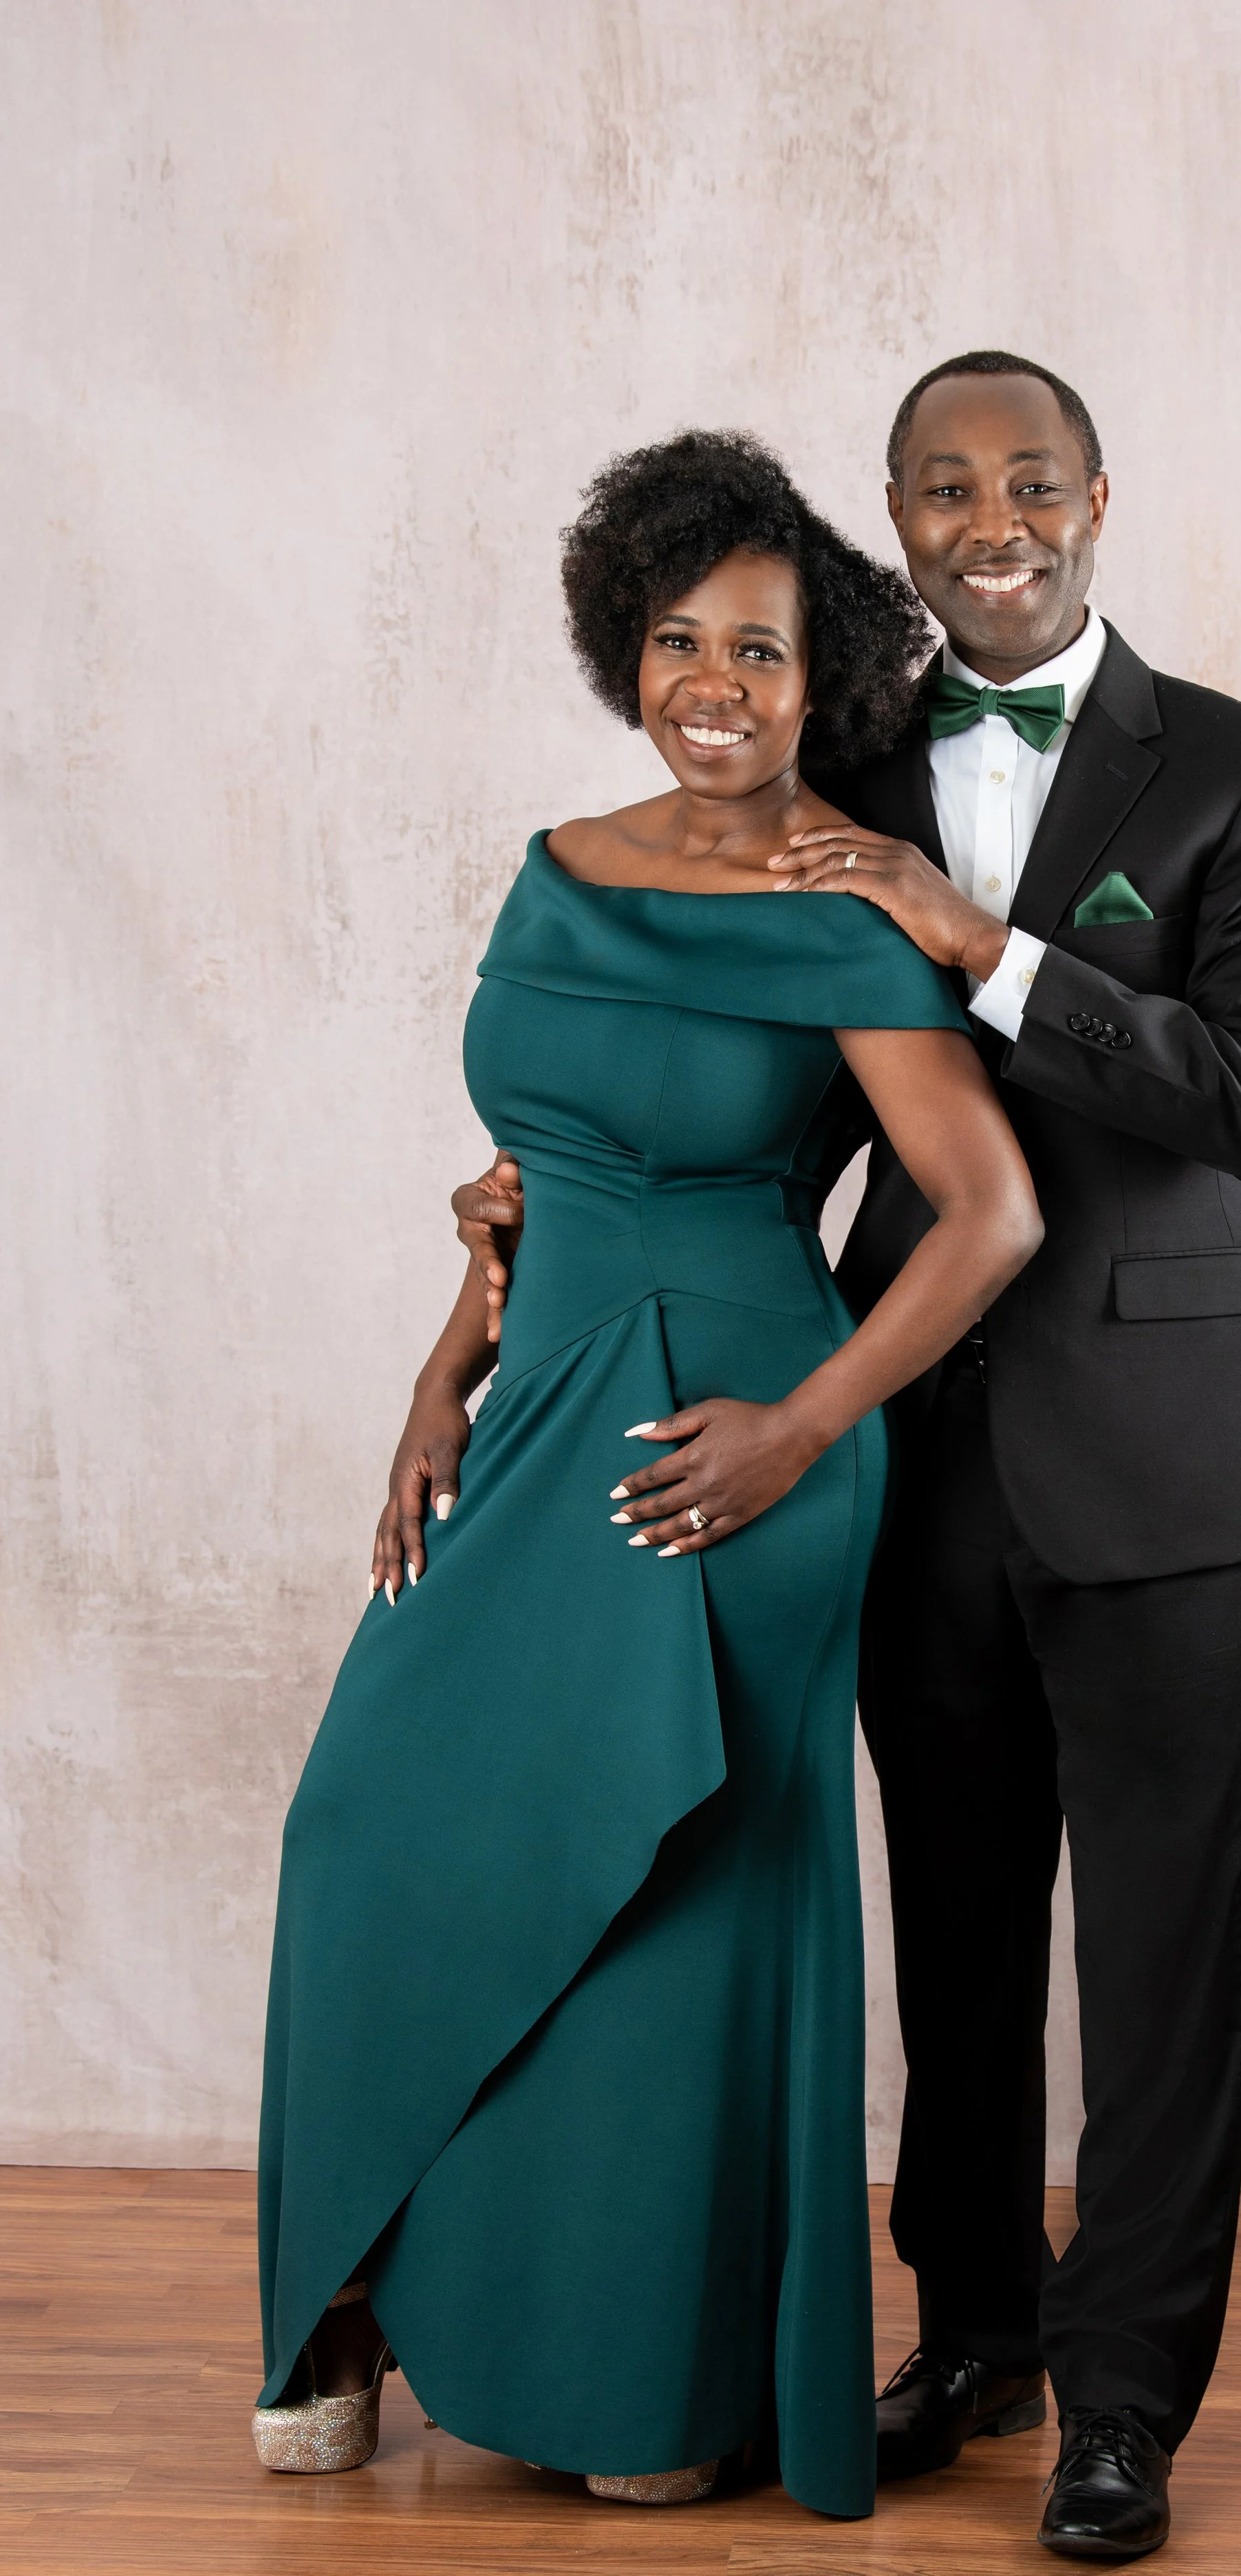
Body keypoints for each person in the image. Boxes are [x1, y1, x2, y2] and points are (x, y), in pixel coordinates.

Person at [450, 354, 1241, 2561]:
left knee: (1154, 1962)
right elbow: (750, 1105)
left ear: (1097, 493)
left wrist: (993, 950)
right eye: (943, 487)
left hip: (1163, 1446)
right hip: (902, 1435)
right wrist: (535, 1212)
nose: (990, 516)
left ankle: (1124, 2407)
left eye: (1028, 477)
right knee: (947, 1938)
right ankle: (977, 2334)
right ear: (899, 518)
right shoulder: (835, 763)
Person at [250, 429, 1042, 2521]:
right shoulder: (557, 865)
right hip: (534, 1413)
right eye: (680, 639)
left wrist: (805, 1429)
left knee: (677, 1912)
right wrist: (451, 1354)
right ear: (628, 648)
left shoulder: (844, 904)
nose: (716, 681)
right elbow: (542, 1170)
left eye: (761, 652)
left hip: (748, 1438)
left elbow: (988, 1216)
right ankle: (347, 2302)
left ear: (821, 679)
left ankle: (648, 2378)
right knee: (365, 1833)